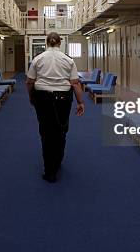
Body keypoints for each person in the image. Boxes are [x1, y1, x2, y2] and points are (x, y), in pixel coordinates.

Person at [26, 32, 85, 183]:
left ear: (47, 43)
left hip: (43, 98)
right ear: (60, 43)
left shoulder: (37, 59)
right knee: (61, 131)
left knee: (46, 132)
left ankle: (49, 171)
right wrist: (80, 102)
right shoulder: (68, 60)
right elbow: (75, 83)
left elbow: (29, 82)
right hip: (63, 100)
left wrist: (32, 97)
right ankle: (57, 162)